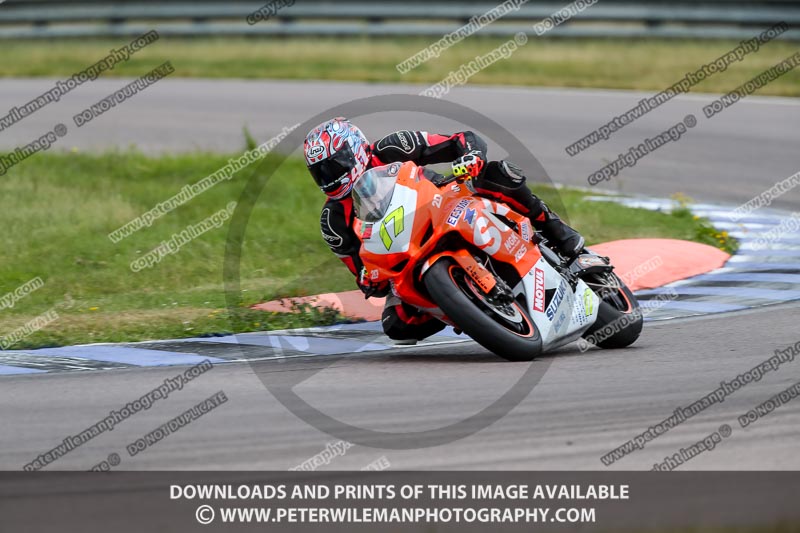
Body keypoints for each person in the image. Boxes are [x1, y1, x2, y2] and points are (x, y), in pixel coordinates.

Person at [303, 117, 584, 342]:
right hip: (406, 253)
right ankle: (468, 310)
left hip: (443, 200)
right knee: (396, 325)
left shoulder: (392, 147)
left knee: (499, 173)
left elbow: (460, 140)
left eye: (335, 164)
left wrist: (470, 155)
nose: (330, 176)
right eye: (321, 172)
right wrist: (369, 280)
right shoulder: (333, 221)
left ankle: (559, 231)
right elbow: (361, 271)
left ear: (354, 147)